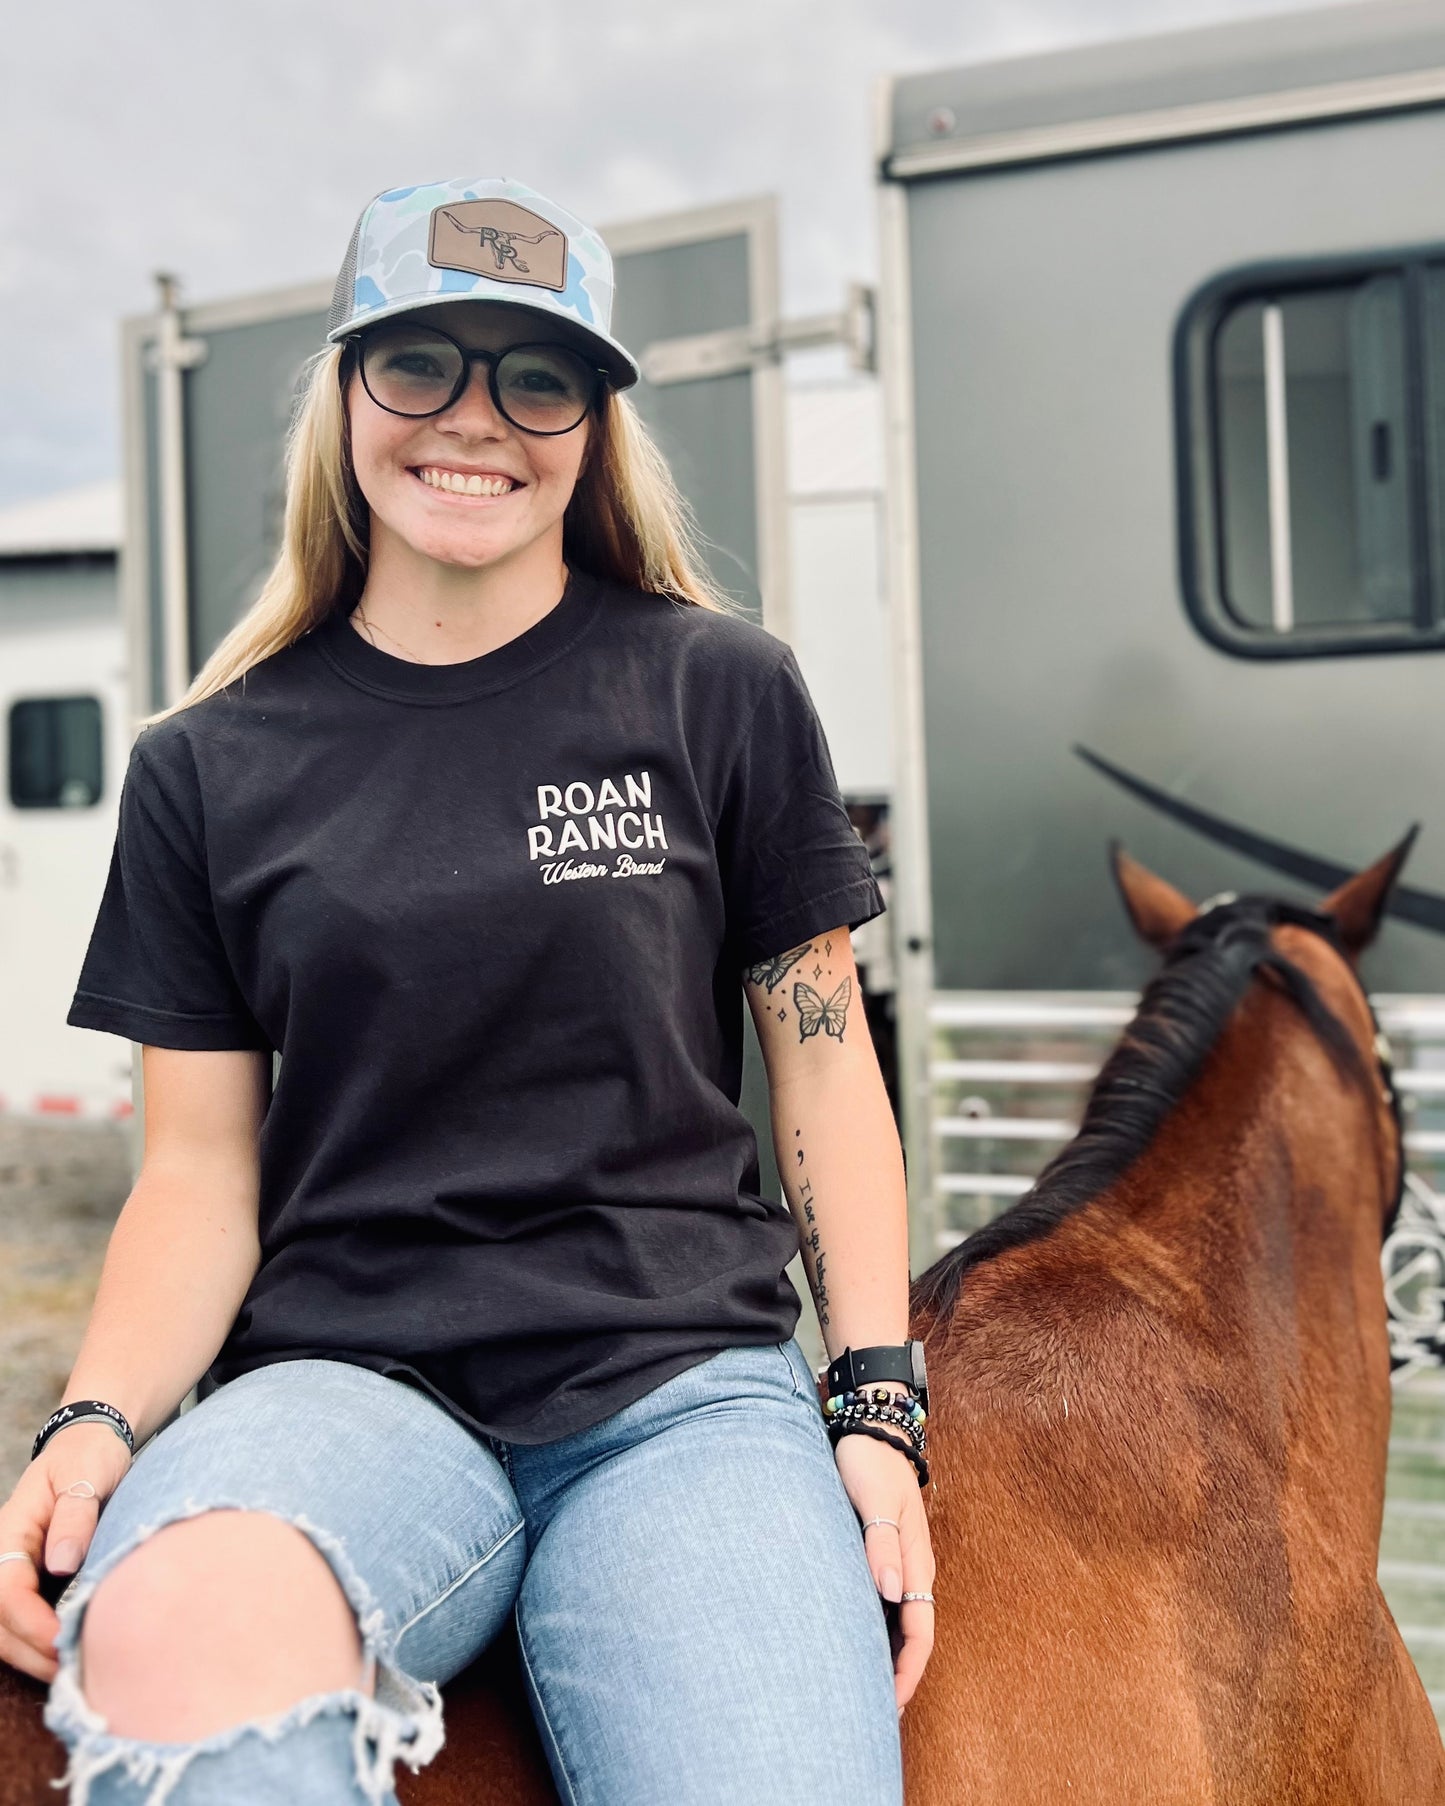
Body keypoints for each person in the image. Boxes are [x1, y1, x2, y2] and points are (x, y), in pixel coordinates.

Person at [0, 176, 935, 1805]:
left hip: (674, 1402)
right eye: (422, 362)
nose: (475, 420)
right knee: (162, 1636)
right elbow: (200, 1174)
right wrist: (90, 1414)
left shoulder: (718, 689)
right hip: (341, 1390)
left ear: (593, 418)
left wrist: (872, 1397)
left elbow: (826, 1068)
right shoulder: (206, 769)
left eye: (537, 375)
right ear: (349, 388)